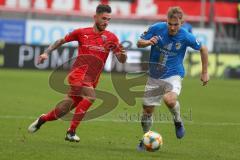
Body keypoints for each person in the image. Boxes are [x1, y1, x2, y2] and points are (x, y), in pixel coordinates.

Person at [28, 4, 127, 142]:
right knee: (91, 97)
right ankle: (71, 131)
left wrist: (123, 54)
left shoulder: (111, 38)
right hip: (78, 74)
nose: (106, 22)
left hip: (92, 79)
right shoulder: (81, 33)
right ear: (95, 17)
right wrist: (46, 53)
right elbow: (61, 40)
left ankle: (43, 119)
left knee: (63, 109)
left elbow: (121, 60)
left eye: (109, 19)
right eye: (104, 18)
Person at [136, 6, 209, 150]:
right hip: (154, 76)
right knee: (147, 112)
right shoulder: (157, 28)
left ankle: (178, 121)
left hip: (174, 74)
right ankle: (146, 139)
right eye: (170, 23)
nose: (172, 27)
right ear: (166, 21)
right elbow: (139, 43)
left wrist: (205, 72)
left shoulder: (186, 35)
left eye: (176, 24)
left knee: (169, 100)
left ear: (181, 23)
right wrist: (149, 42)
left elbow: (203, 49)